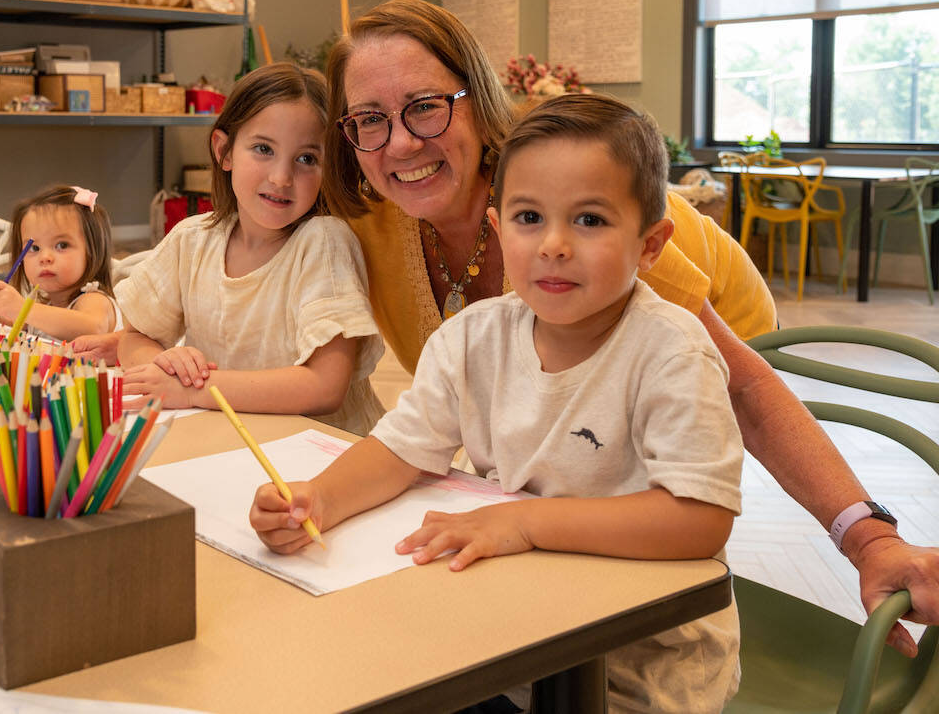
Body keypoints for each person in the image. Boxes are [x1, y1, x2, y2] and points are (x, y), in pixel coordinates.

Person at [321, 0, 937, 656]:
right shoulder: (371, 225)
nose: (403, 141)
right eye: (370, 119)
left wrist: (868, 536)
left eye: (425, 105)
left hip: (716, 347)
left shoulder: (590, 219)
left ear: (478, 100)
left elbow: (745, 392)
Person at [252, 95, 745, 713]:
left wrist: (522, 522)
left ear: (651, 245)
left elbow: (698, 520)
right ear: (497, 228)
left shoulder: (671, 353)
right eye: (529, 217)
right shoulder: (472, 338)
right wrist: (318, 499)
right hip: (510, 637)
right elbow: (400, 450)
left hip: (636, 669)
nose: (555, 245)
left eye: (590, 220)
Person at [110, 62, 385, 435]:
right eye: (263, 149)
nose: (281, 178)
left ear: (331, 168)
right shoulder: (191, 240)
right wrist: (165, 363)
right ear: (224, 151)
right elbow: (134, 337)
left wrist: (196, 389)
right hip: (234, 441)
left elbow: (325, 387)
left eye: (307, 159)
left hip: (325, 456)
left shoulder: (324, 242)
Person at [0, 184, 122, 342]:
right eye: (34, 248)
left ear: (92, 250)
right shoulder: (45, 305)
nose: (45, 257)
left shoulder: (94, 299)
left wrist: (22, 309)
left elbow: (94, 328)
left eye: (62, 245)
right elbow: (16, 323)